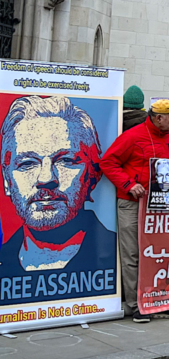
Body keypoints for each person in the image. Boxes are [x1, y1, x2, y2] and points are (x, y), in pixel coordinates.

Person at [0, 95, 118, 288]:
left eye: (66, 161)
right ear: (7, 179)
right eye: (27, 163)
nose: (46, 179)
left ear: (92, 174)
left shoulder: (117, 254)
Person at [98, 99, 169, 322]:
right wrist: (129, 185)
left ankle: (163, 300)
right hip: (132, 203)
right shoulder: (132, 136)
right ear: (158, 118)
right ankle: (136, 304)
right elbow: (108, 162)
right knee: (132, 254)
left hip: (161, 203)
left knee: (162, 253)